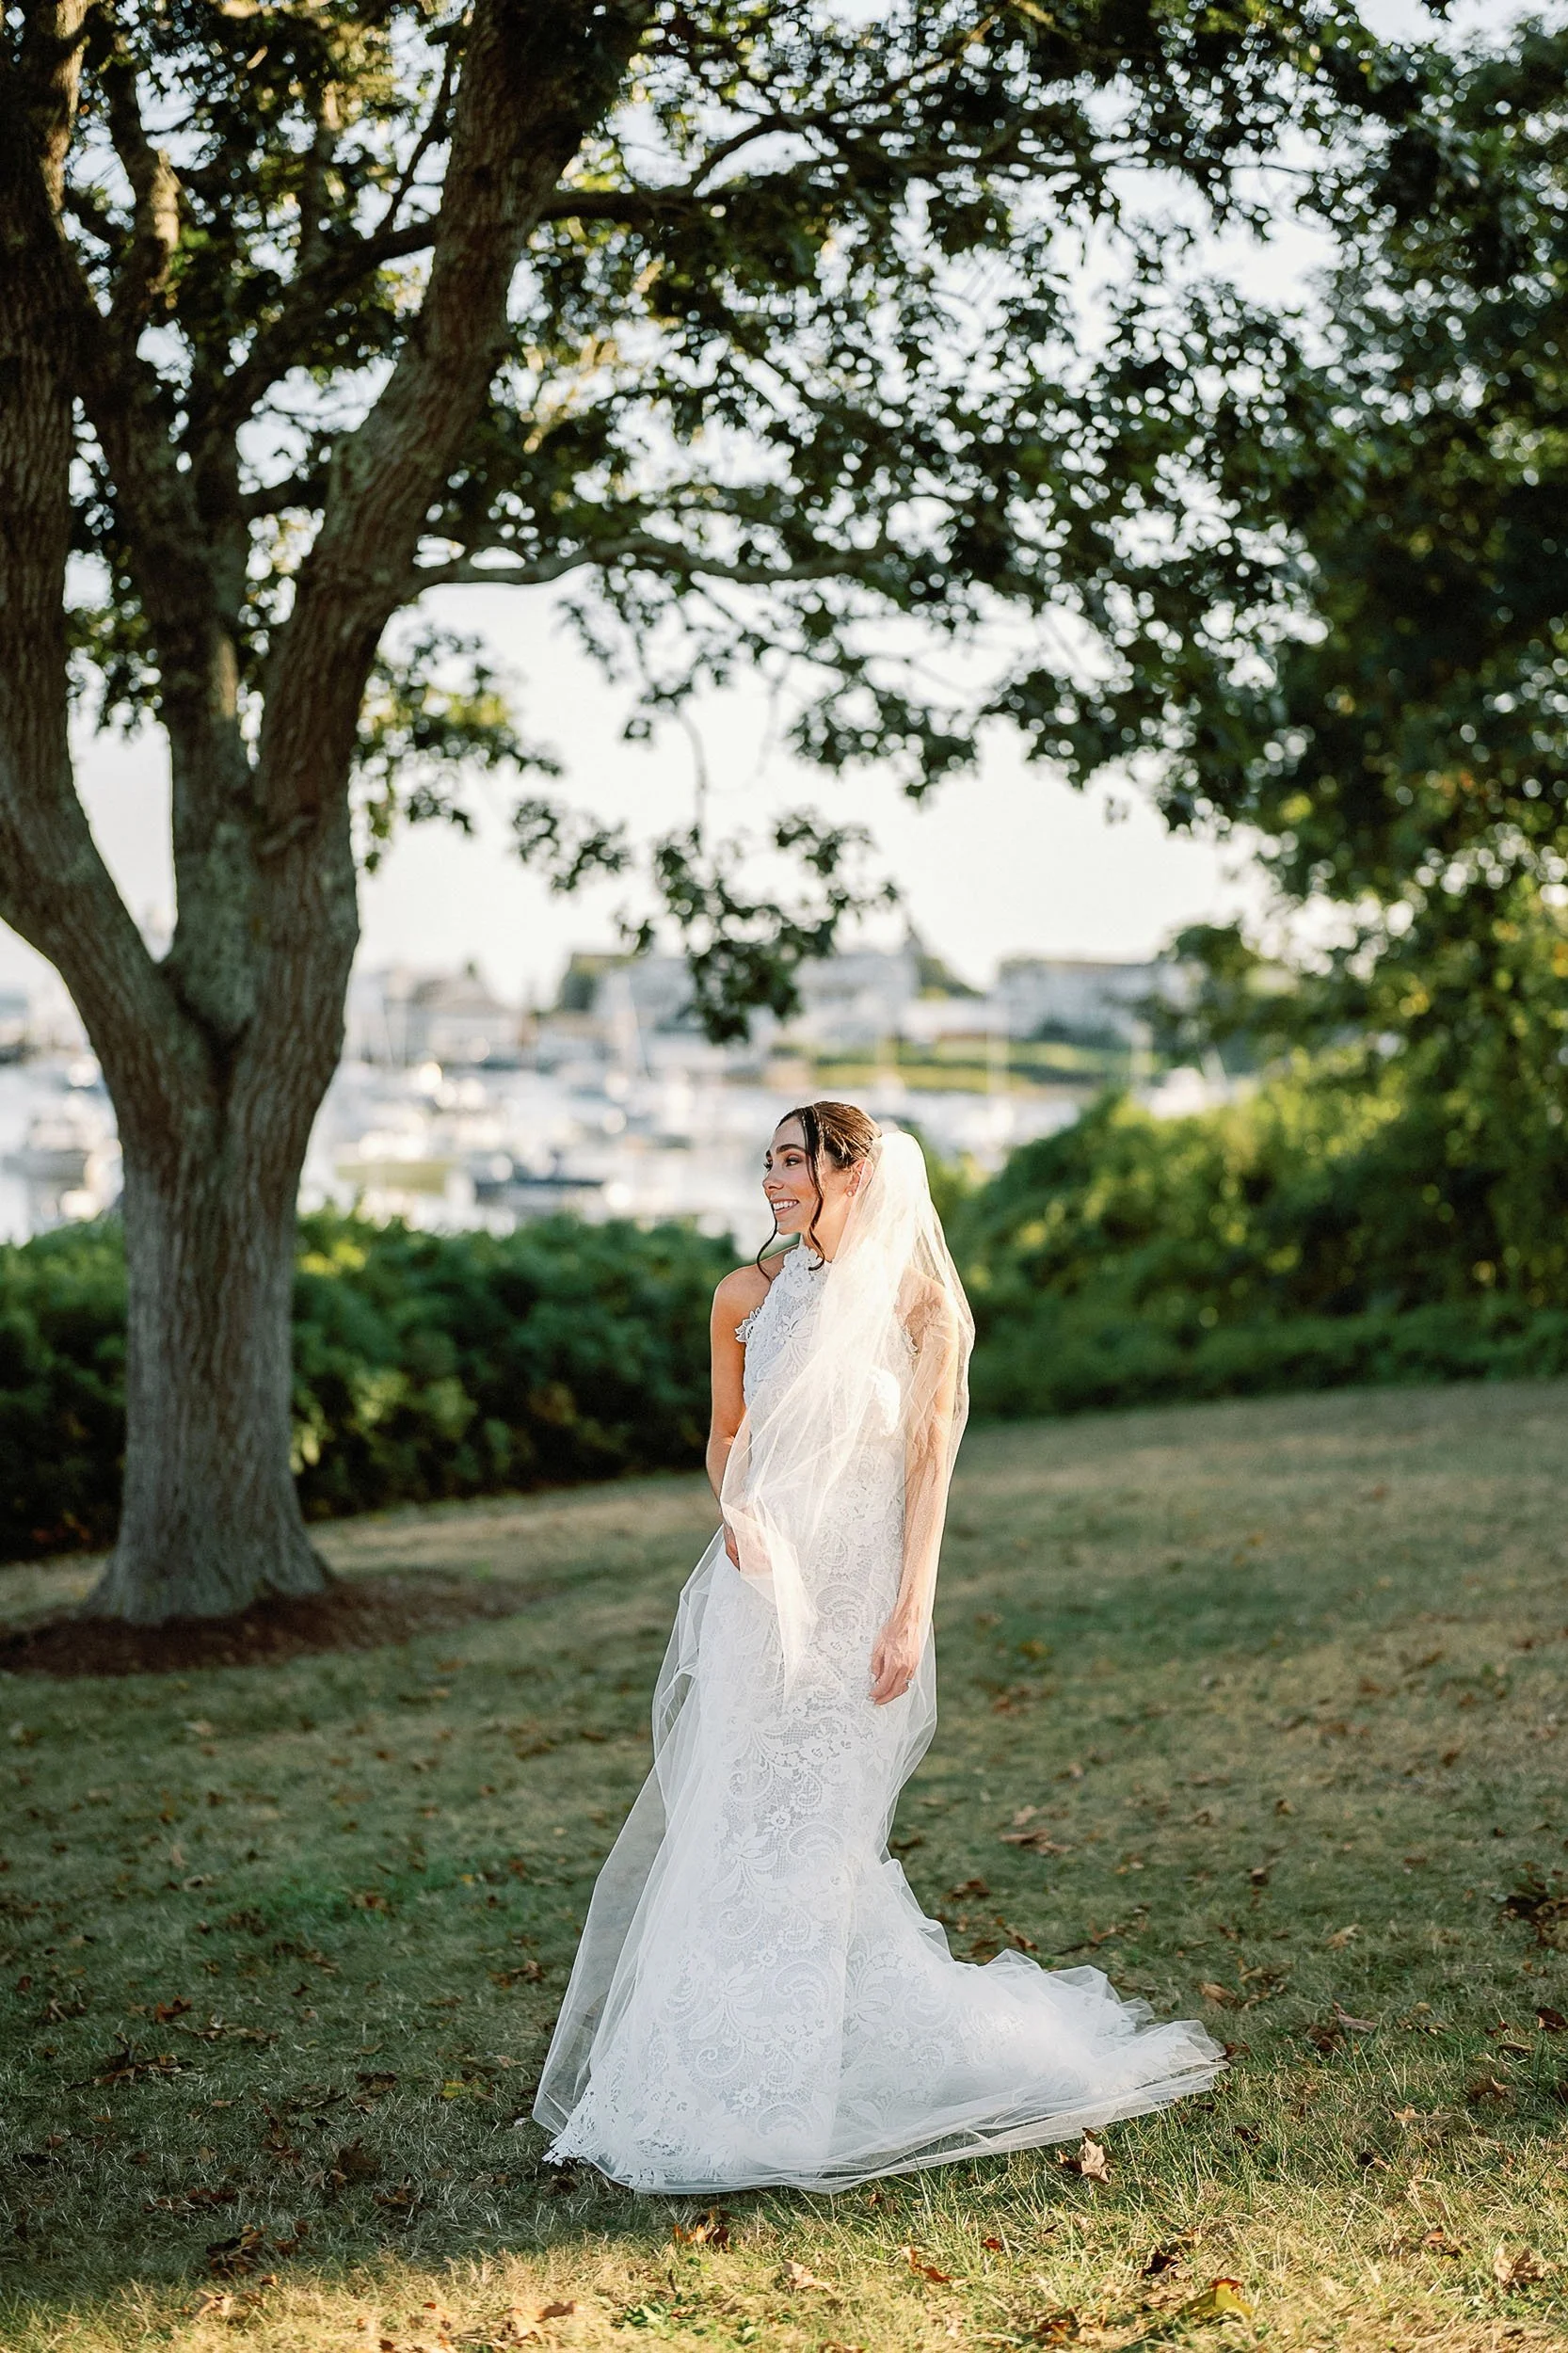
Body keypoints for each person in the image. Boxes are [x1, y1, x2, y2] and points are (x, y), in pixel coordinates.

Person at [533, 1102, 1223, 2193]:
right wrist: (736, 1513)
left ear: (852, 1172)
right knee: (731, 1832)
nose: (773, 1178)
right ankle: (699, 2075)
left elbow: (929, 1471)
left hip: (859, 1606)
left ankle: (803, 2086)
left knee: (817, 1847)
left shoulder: (923, 1305)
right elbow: (724, 1439)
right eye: (767, 1159)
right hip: (760, 1599)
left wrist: (912, 1609)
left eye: (794, 1160)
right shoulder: (743, 1297)